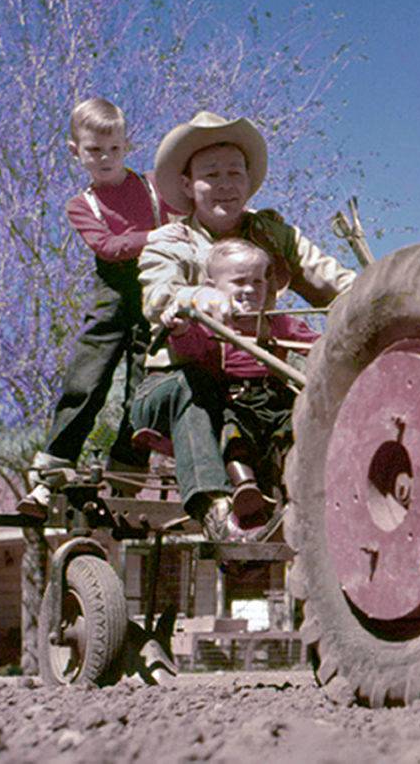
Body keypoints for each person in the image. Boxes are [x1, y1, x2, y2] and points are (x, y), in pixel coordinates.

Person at [131, 111, 356, 543]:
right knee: (190, 387)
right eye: (210, 174)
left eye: (235, 172)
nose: (225, 184)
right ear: (186, 186)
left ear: (249, 180)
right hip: (176, 384)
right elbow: (159, 292)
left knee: (312, 383)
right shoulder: (168, 242)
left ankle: (320, 498)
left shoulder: (272, 233)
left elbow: (331, 279)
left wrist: (383, 295)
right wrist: (198, 298)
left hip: (252, 382)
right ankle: (215, 509)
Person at [17, 97, 171, 519]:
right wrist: (160, 236)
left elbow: (189, 215)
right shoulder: (81, 205)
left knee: (147, 377)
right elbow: (107, 246)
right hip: (114, 291)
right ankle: (53, 467)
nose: (104, 158)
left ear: (127, 145)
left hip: (158, 287)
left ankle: (126, 470)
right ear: (75, 151)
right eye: (93, 151)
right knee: (88, 375)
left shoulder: (157, 185)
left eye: (113, 149)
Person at [167, 238, 319, 522]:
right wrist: (180, 331)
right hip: (235, 400)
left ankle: (295, 488)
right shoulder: (211, 325)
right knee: (233, 435)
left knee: (294, 432)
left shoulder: (281, 323)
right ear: (213, 287)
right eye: (238, 282)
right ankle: (244, 486)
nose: (249, 290)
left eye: (258, 282)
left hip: (277, 397)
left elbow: (316, 344)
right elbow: (191, 349)